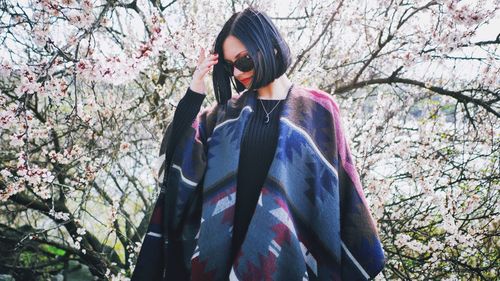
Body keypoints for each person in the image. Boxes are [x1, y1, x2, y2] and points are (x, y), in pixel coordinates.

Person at [132, 7, 385, 281]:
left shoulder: (319, 110)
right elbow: (172, 165)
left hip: (288, 262)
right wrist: (195, 92)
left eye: (244, 61)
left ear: (271, 47)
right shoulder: (223, 116)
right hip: (221, 262)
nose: (238, 73)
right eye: (229, 66)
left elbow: (340, 195)